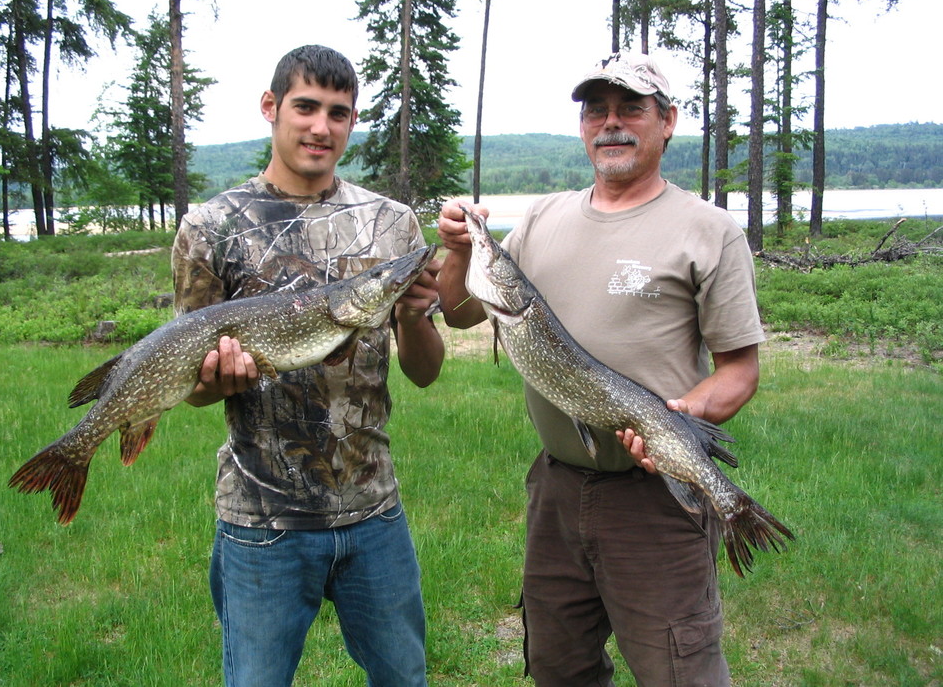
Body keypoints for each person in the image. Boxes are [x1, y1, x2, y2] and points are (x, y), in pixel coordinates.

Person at [437, 51, 766, 686]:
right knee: (559, 669)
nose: (610, 123)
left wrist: (678, 423)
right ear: (583, 126)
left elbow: (739, 371)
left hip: (655, 503)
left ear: (666, 121)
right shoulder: (540, 218)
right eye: (596, 111)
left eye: (630, 109)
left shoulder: (709, 231)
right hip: (557, 491)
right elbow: (460, 313)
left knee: (679, 670)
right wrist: (460, 249)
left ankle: (733, 510)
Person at [172, 44, 444, 687]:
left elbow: (426, 370)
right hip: (261, 522)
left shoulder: (392, 224)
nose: (322, 127)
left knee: (406, 679)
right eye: (306, 107)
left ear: (353, 122)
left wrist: (410, 316)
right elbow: (190, 389)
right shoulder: (210, 228)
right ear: (271, 108)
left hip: (375, 511)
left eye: (339, 113)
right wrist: (217, 379)